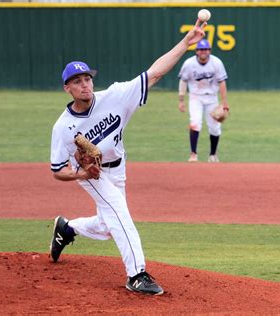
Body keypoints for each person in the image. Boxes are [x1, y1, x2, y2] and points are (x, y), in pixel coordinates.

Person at [49, 19, 207, 296]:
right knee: (120, 214)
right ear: (67, 88)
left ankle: (67, 228)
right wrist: (82, 174)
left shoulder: (116, 96)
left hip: (118, 167)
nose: (84, 84)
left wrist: (185, 43)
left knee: (108, 225)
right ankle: (137, 275)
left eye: (87, 78)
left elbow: (154, 74)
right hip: (92, 175)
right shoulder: (63, 127)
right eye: (77, 81)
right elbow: (57, 170)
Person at [177, 39, 229, 163]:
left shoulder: (216, 63)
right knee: (195, 122)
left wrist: (224, 102)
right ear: (196, 51)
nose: (203, 52)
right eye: (201, 49)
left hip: (212, 98)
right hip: (196, 97)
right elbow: (183, 81)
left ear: (209, 51)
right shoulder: (189, 63)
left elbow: (222, 82)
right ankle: (193, 154)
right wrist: (181, 100)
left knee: (215, 127)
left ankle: (213, 155)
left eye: (206, 49)